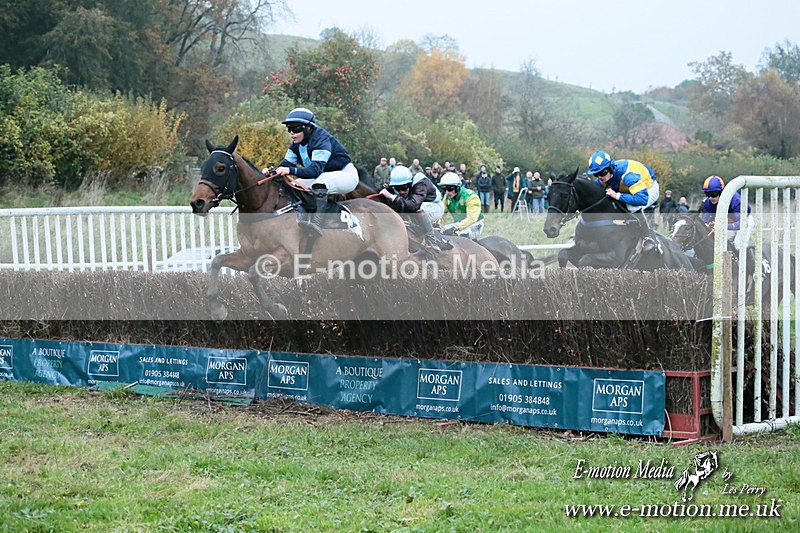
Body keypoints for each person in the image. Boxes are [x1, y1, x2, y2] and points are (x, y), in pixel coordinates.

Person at [270, 107, 359, 236]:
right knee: (293, 185)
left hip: (345, 175)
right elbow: (286, 165)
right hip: (324, 174)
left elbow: (315, 170)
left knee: (320, 183)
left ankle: (317, 223)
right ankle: (301, 217)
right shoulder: (296, 144)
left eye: (296, 129)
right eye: (289, 129)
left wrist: (288, 170)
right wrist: (273, 171)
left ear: (308, 128)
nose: (291, 133)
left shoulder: (321, 140)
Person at [587, 150, 660, 253]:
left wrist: (617, 195)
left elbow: (642, 199)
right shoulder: (605, 177)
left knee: (631, 206)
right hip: (628, 188)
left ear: (611, 168)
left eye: (603, 173)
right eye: (596, 174)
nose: (600, 177)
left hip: (648, 189)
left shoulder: (628, 177)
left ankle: (647, 238)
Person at [379, 166, 451, 251]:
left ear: (410, 183)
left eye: (404, 187)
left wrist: (391, 196)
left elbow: (414, 206)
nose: (401, 191)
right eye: (398, 188)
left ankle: (433, 240)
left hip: (436, 207)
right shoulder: (399, 183)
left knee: (417, 209)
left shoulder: (420, 184)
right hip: (423, 204)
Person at [701, 175, 753, 251]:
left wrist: (722, 226)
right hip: (725, 222)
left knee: (738, 245)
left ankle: (752, 262)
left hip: (744, 220)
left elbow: (742, 224)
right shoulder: (707, 203)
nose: (710, 198)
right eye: (707, 194)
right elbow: (706, 222)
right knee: (718, 243)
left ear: (721, 192)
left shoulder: (736, 201)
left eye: (713, 194)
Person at [440, 172, 484, 240]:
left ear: (457, 187)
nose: (447, 192)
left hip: (475, 224)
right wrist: (438, 225)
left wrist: (456, 228)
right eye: (444, 189)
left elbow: (472, 219)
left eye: (449, 189)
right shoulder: (446, 198)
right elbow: (442, 214)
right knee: (440, 233)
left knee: (461, 236)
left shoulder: (471, 197)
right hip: (459, 223)